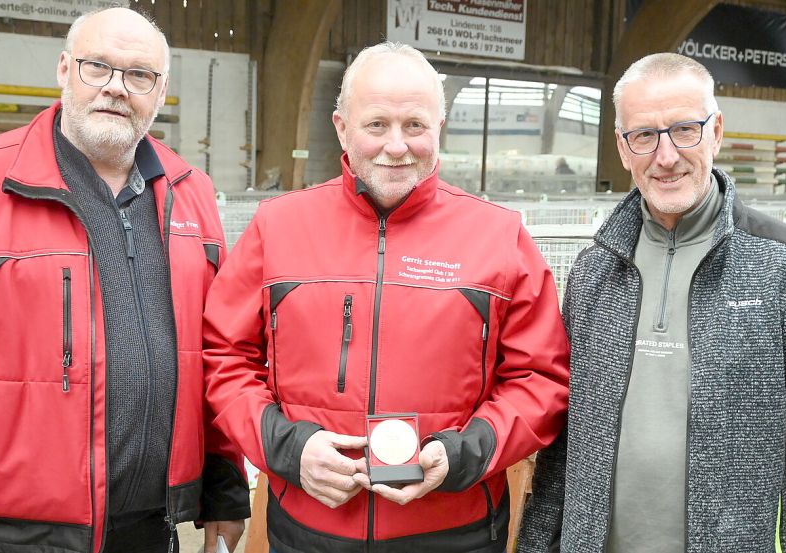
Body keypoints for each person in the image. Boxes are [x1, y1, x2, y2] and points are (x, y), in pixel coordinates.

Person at [202, 42, 570, 552]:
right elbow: (224, 356)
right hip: (311, 529)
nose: (396, 146)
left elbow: (539, 377)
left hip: (452, 532)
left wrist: (466, 453)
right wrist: (287, 447)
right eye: (376, 125)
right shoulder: (279, 228)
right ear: (341, 128)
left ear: (438, 129)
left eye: (415, 126)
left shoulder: (499, 237)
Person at [0, 8, 249, 553]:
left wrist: (226, 487)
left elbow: (216, 353)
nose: (117, 88)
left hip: (146, 529)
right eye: (98, 67)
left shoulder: (193, 194)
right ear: (65, 69)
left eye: (139, 75)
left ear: (160, 93)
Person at [517, 52, 786, 552]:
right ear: (623, 148)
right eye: (644, 135)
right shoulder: (594, 271)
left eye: (685, 129)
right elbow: (563, 439)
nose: (665, 157)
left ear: (717, 131)